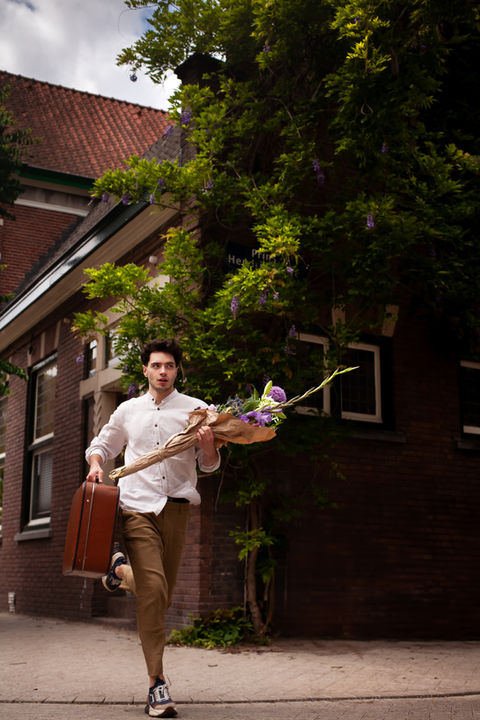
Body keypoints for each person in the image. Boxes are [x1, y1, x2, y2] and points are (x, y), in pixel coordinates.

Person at [85, 338, 220, 718]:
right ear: (145, 370)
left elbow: (208, 465)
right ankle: (156, 685)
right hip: (136, 508)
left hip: (176, 509)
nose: (163, 372)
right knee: (154, 591)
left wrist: (209, 448)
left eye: (170, 366)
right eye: (156, 365)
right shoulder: (128, 410)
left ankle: (119, 572)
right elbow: (103, 444)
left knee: (161, 594)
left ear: (178, 370)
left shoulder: (196, 410)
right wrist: (97, 464)